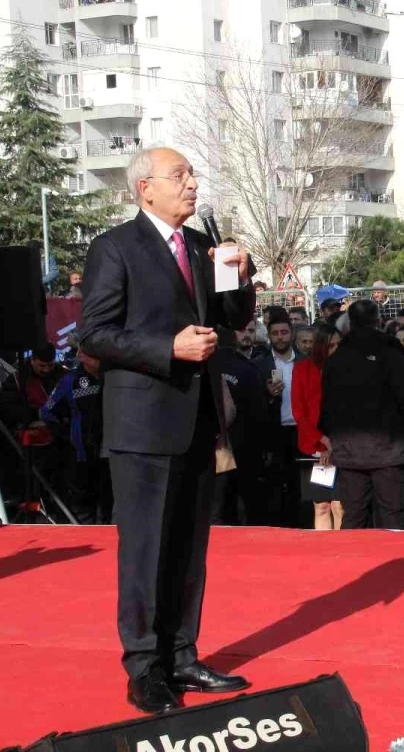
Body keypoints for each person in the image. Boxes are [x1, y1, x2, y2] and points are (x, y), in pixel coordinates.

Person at [78, 147, 254, 713]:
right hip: (141, 421)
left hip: (199, 417)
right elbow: (95, 335)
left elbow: (235, 319)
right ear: (144, 189)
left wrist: (238, 276)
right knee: (146, 548)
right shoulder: (115, 247)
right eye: (179, 176)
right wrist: (166, 348)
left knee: (189, 547)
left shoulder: (201, 245)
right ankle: (144, 666)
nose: (192, 184)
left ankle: (183, 654)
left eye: (193, 175)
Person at [321, 299, 404, 529]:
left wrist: (330, 437)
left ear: (350, 323)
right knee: (393, 519)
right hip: (390, 451)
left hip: (353, 450)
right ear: (378, 321)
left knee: (354, 517)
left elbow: (327, 406)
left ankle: (354, 563)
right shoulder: (390, 355)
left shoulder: (337, 360)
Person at [40, 343, 109, 523]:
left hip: (113, 452)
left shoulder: (113, 377)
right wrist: (65, 434)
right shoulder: (70, 380)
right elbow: (48, 411)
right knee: (84, 505)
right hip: (83, 453)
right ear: (81, 355)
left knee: (112, 503)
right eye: (94, 354)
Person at [213, 319, 272, 525]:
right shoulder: (250, 369)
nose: (246, 335)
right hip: (242, 447)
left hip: (219, 447)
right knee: (245, 507)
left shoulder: (209, 364)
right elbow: (260, 414)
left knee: (219, 509)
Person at [291, 324, 343, 531]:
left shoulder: (346, 371)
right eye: (331, 345)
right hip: (313, 446)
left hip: (342, 445)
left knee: (340, 506)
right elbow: (299, 412)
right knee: (321, 506)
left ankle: (342, 553)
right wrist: (322, 441)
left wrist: (334, 444)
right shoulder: (302, 369)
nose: (336, 350)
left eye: (338, 345)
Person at [256, 308, 303, 527]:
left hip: (301, 432)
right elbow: (252, 403)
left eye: (284, 332)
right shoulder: (259, 364)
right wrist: (267, 395)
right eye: (275, 333)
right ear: (269, 335)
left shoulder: (304, 362)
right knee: (274, 486)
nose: (280, 337)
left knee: (300, 486)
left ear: (291, 333)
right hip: (273, 432)